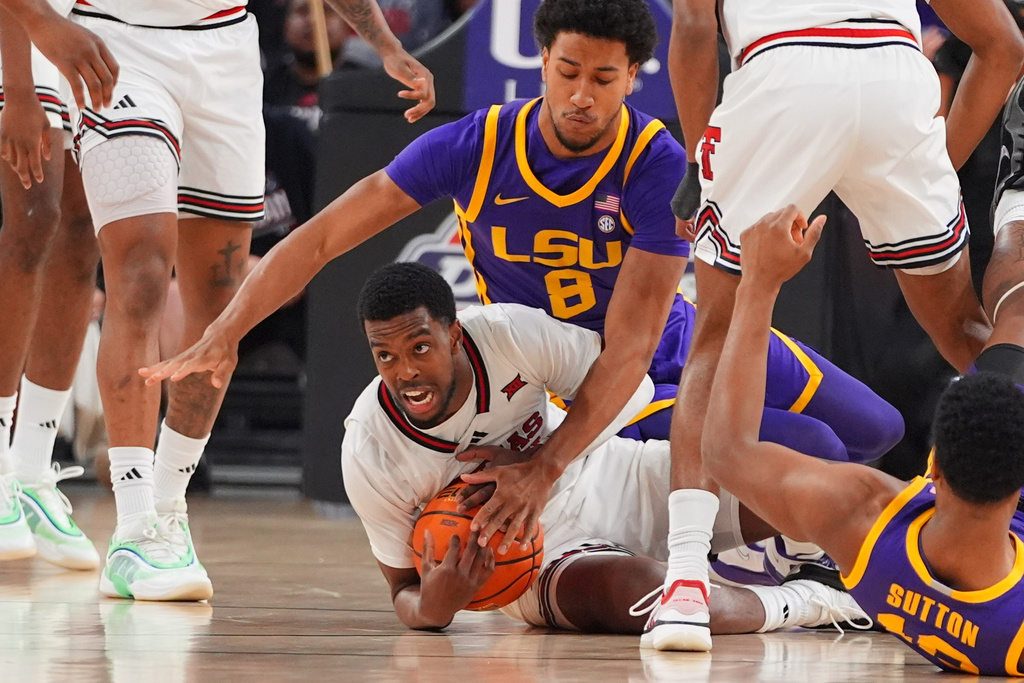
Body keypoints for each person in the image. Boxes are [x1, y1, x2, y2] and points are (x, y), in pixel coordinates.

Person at [141, 0, 903, 568]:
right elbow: (316, 241)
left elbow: (636, 340)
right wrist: (226, 329)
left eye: (604, 78)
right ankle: (777, 569)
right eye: (568, 72)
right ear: (542, 61)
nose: (582, 95)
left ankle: (826, 552)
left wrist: (542, 472)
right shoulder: (477, 145)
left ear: (633, 79)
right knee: (820, 450)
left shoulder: (655, 162)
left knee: (879, 431)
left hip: (656, 345)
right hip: (576, 379)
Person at [656, 0, 1024, 652]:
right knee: (968, 329)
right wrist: (931, 163)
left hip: (782, 77)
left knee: (714, 330)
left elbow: (689, 30)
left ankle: (685, 581)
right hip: (895, 81)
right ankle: (1004, 516)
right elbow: (1003, 46)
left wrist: (694, 161)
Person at [71, 0, 435, 602]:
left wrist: (385, 45)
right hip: (121, 42)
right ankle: (134, 524)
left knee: (220, 312)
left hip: (225, 52)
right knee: (139, 276)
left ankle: (167, 508)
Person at [342, 262, 867, 637]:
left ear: (454, 333)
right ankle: (810, 602)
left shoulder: (506, 335)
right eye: (384, 355)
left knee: (812, 471)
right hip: (535, 561)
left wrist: (538, 465)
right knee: (649, 595)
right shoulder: (369, 447)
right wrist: (434, 608)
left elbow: (631, 386)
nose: (404, 372)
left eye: (419, 348)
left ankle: (772, 560)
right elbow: (402, 592)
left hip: (606, 472)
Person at [702, 205, 1024, 676]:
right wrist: (758, 284)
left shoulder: (860, 519)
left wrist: (760, 284)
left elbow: (726, 452)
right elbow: (727, 453)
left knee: (1013, 316)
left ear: (933, 468)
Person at [0, 3, 101, 569]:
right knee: (33, 219)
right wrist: (18, 88)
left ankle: (34, 469)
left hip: (105, 24)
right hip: (25, 25)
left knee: (83, 233)